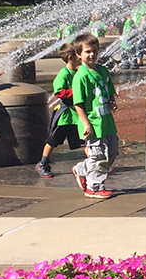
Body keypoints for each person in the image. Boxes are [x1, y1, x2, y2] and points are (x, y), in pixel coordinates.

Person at [70, 33, 119, 198]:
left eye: (95, 51)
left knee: (112, 152)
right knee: (98, 156)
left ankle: (81, 169)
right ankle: (94, 187)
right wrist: (86, 124)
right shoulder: (80, 77)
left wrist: (112, 102)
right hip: (92, 124)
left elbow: (110, 92)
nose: (92, 55)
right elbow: (78, 104)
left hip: (107, 122)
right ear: (79, 54)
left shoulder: (103, 71)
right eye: (88, 52)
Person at [35, 43, 83, 178]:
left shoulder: (79, 72)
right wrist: (76, 92)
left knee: (85, 139)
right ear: (70, 57)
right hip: (65, 115)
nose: (80, 57)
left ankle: (96, 163)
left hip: (76, 115)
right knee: (53, 140)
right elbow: (59, 92)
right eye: (78, 54)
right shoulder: (63, 74)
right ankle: (42, 163)